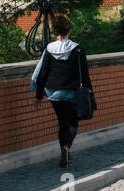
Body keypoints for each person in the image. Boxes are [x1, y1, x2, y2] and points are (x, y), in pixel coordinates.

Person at [30, 14, 95, 169]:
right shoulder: (77, 49)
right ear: (69, 29)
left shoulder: (49, 49)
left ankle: (64, 149)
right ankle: (66, 147)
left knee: (62, 123)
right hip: (72, 92)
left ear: (54, 31)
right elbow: (84, 75)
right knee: (72, 124)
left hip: (53, 93)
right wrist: (90, 94)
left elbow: (43, 73)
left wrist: (39, 96)